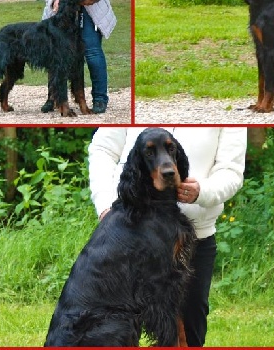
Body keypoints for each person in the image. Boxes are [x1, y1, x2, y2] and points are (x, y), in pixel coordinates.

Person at [88, 127, 247, 347]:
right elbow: (103, 149)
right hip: (130, 234)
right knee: (119, 327)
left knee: (190, 332)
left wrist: (203, 191)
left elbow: (231, 170)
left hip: (197, 236)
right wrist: (105, 203)